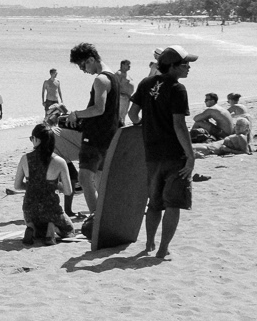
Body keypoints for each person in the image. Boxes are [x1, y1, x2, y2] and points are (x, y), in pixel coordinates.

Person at [127, 45, 197, 260]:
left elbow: (132, 114)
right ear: (174, 66)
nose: (189, 68)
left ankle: (149, 243)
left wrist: (148, 128)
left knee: (155, 203)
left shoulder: (146, 83)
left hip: (152, 154)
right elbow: (179, 125)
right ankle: (162, 249)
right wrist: (191, 155)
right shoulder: (177, 89)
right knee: (173, 203)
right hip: (174, 155)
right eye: (185, 64)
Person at [65, 43, 120, 238]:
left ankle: (97, 219)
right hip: (110, 135)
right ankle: (103, 217)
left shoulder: (101, 79)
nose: (83, 70)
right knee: (99, 178)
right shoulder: (113, 75)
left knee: (85, 178)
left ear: (90, 60)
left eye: (82, 66)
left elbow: (99, 109)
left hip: (95, 136)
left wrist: (76, 114)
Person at [12, 123, 74, 245]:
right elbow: (68, 191)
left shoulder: (25, 159)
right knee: (69, 230)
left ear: (37, 139)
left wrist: (32, 186)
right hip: (51, 209)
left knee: (35, 223)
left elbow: (17, 186)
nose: (31, 141)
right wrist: (54, 185)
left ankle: (32, 228)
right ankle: (52, 228)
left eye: (31, 138)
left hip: (30, 210)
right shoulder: (59, 161)